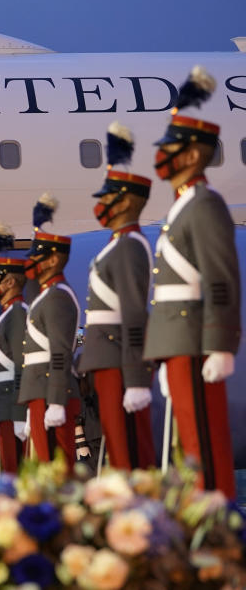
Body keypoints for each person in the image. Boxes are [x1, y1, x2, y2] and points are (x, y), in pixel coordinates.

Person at [144, 66, 240, 500]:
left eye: (171, 147)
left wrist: (221, 343)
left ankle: (216, 513)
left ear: (194, 154)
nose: (162, 156)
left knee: (205, 433)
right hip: (176, 340)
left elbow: (220, 276)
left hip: (196, 337)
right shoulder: (180, 209)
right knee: (189, 434)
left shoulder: (204, 205)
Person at [77, 122, 156, 471]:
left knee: (127, 448)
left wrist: (136, 377)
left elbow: (134, 314)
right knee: (116, 448)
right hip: (103, 359)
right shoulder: (116, 245)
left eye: (107, 199)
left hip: (117, 360)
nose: (101, 206)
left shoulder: (129, 246)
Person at [19, 195, 81, 474]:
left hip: (50, 389)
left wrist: (56, 400)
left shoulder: (57, 297)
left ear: (54, 259)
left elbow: (59, 352)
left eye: (38, 259)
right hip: (39, 389)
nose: (32, 265)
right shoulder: (45, 296)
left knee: (55, 468)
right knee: (42, 464)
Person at [0, 252, 29, 474]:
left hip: (12, 405)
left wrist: (20, 413)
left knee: (14, 470)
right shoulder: (7, 314)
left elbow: (21, 362)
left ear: (10, 281)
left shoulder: (17, 314)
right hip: (3, 403)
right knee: (5, 468)